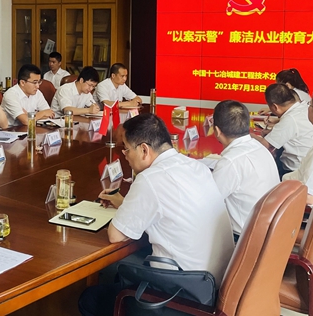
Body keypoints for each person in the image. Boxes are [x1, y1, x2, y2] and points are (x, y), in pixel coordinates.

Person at [79, 114, 234, 316]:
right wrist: (124, 203)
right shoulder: (196, 166)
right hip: (214, 286)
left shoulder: (150, 178)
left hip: (184, 294)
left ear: (144, 150)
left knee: (91, 298)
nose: (125, 155)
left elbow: (115, 235)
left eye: (126, 149)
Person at [212, 100, 280, 238]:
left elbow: (207, 202)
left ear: (217, 131)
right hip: (269, 230)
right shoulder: (259, 147)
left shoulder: (230, 162)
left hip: (243, 238)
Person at [251, 83, 313, 177]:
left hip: (293, 170)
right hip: (309, 165)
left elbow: (264, 145)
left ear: (275, 107)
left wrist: (248, 135)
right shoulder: (304, 107)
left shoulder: (290, 119)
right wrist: (270, 133)